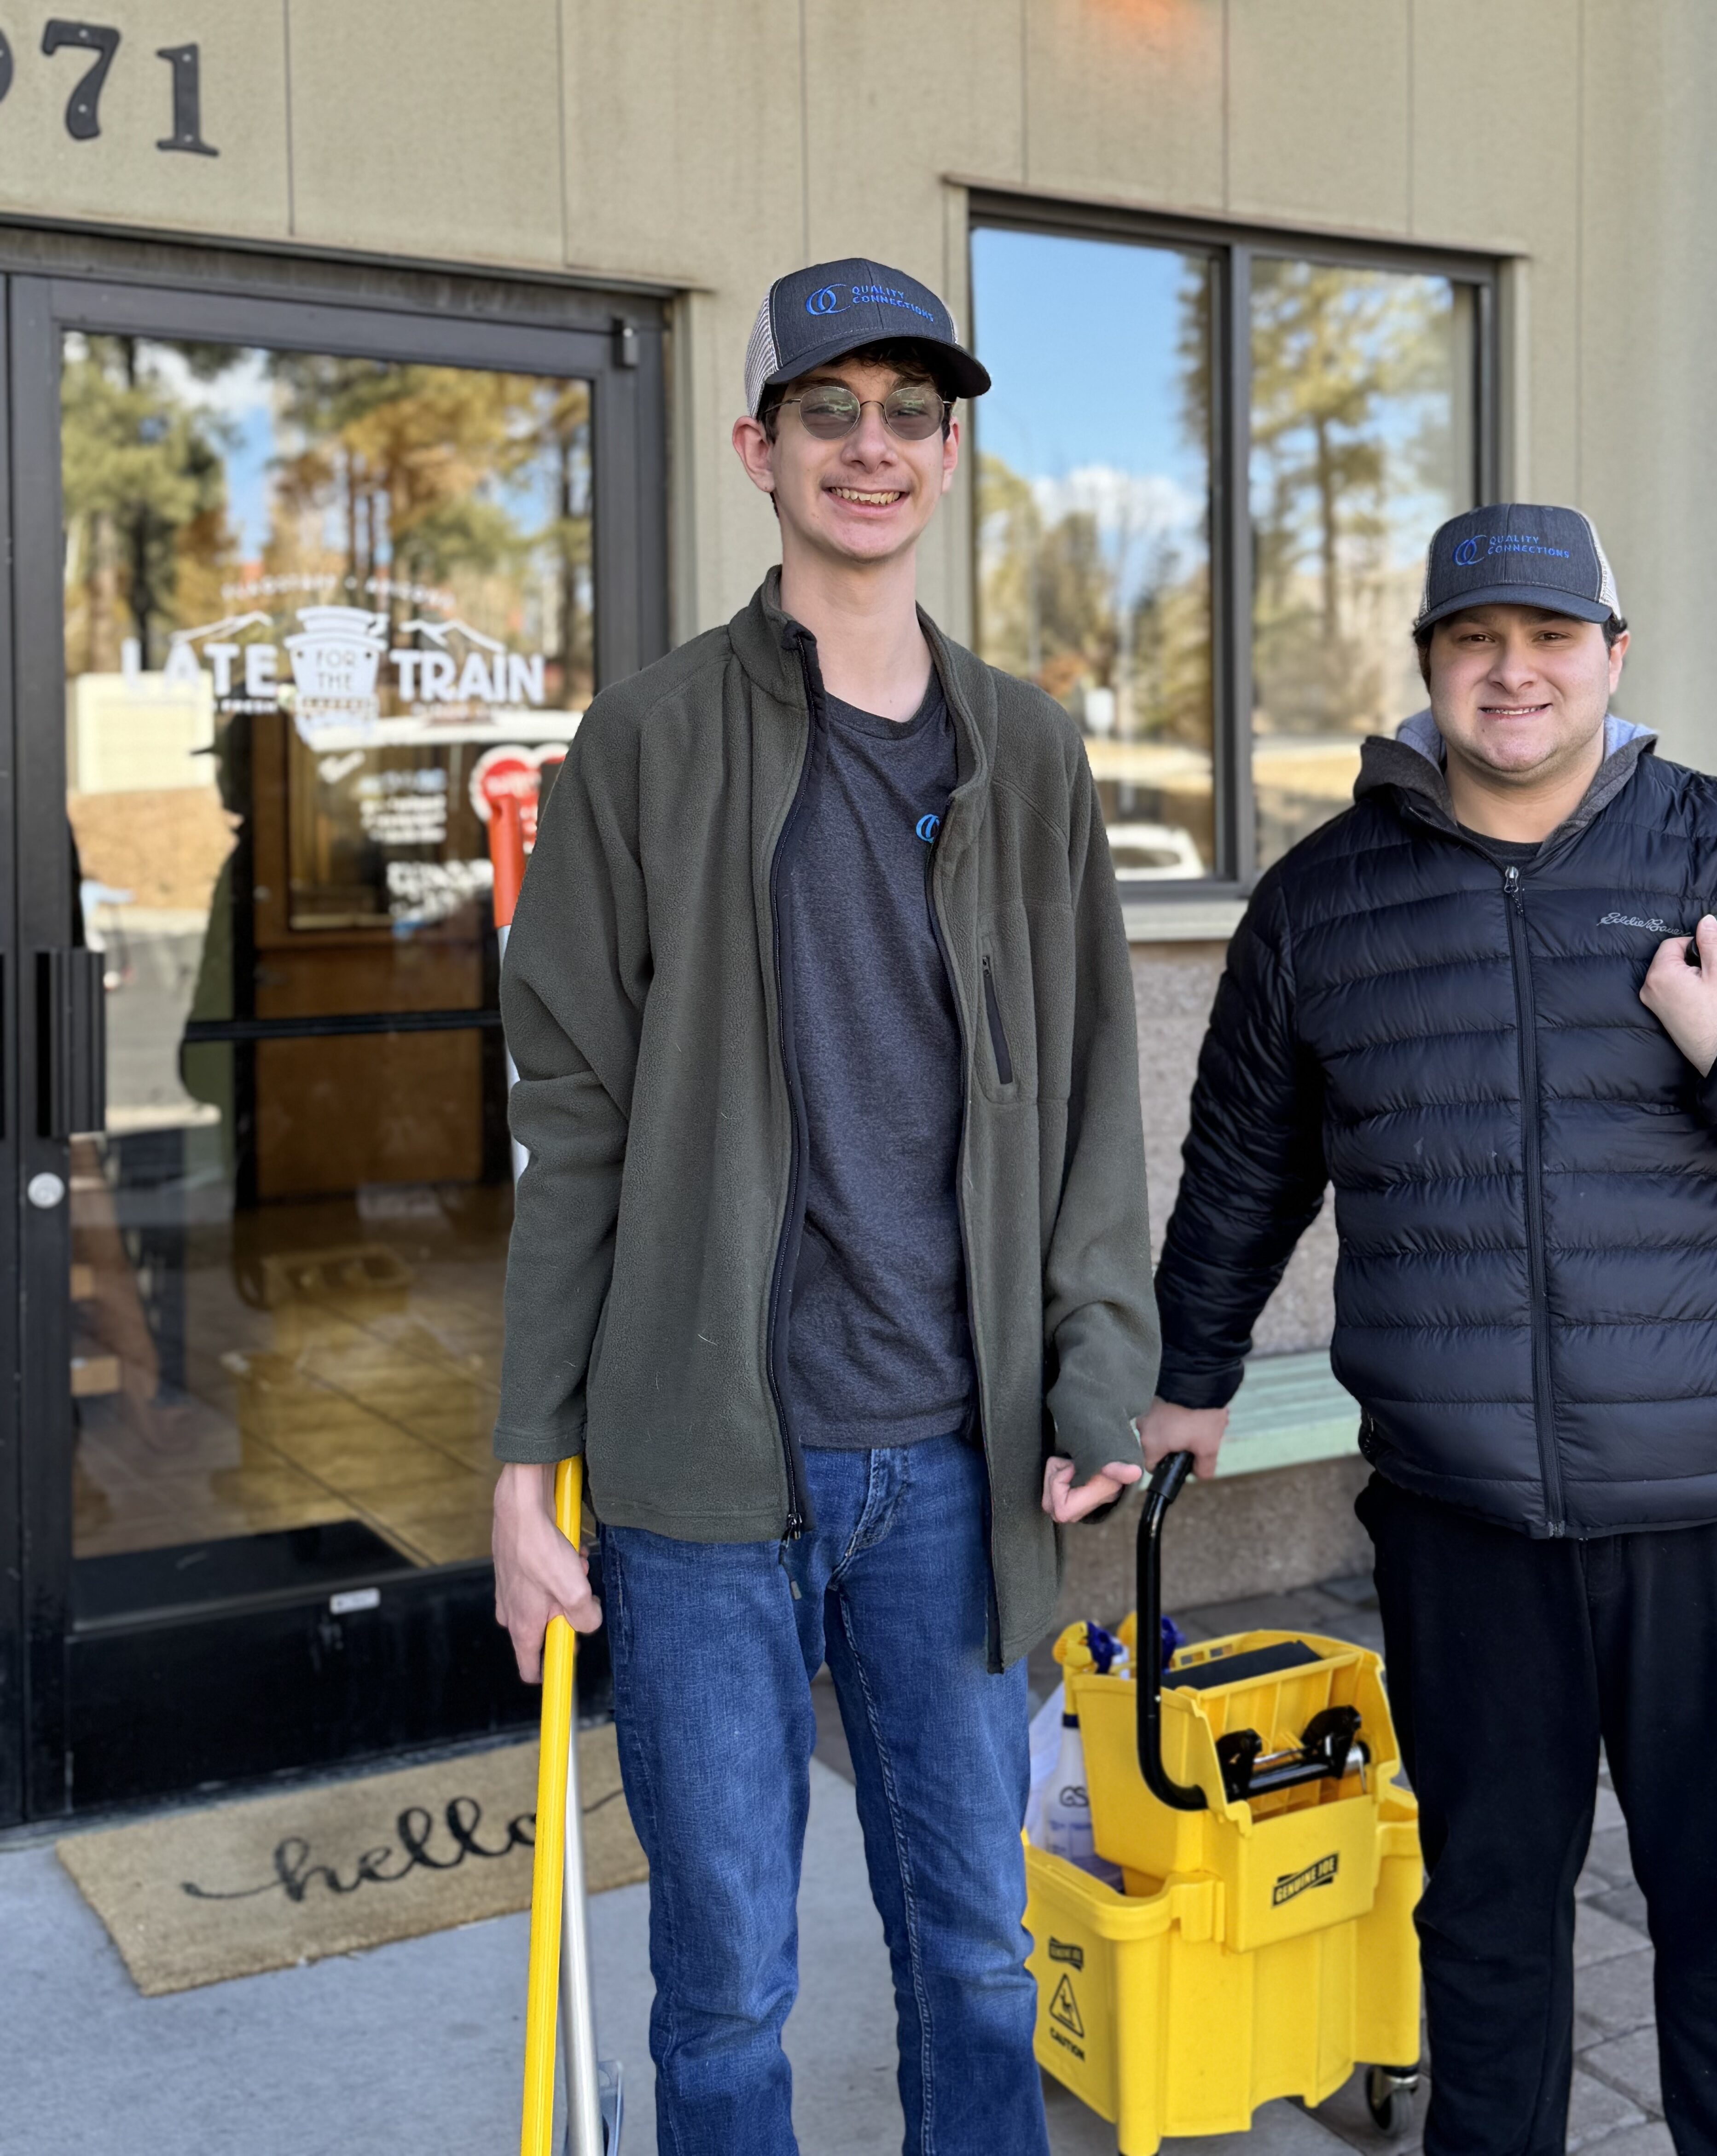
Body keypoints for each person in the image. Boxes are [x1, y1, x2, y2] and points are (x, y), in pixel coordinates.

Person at [1142, 502, 1717, 2156]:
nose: (1511, 673)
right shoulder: (1322, 902)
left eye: (1546, 639)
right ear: (1431, 668)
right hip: (1464, 1523)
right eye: (1473, 641)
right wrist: (1187, 1378)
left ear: (1610, 656)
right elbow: (1241, 1160)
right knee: (1485, 1930)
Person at [486, 255, 1159, 2156]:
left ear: (949, 458)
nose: (872, 448)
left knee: (977, 1959)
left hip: (952, 1457)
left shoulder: (1026, 752)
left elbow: (1100, 1092)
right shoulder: (652, 741)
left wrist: (1098, 1373)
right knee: (726, 1983)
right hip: (702, 1475)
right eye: (830, 413)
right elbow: (578, 1123)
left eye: (910, 416)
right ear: (757, 446)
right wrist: (526, 1468)